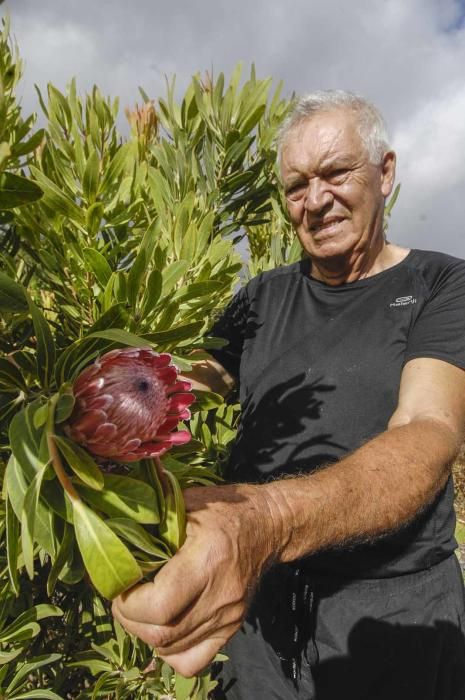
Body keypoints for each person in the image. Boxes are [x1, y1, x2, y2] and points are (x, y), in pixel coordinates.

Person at [112, 91, 465, 699]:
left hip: (394, 618)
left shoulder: (441, 283)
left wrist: (266, 519)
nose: (316, 199)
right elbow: (184, 390)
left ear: (385, 174)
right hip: (260, 614)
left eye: (336, 173)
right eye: (297, 185)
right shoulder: (260, 298)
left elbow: (428, 431)